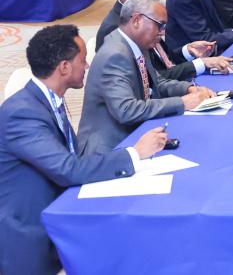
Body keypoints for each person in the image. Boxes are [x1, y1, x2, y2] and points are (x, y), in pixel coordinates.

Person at [0, 25, 167, 275]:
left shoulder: (46, 100)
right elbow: (67, 168)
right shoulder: (22, 113)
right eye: (83, 60)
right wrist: (135, 154)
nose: (87, 66)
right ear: (64, 67)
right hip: (28, 234)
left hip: (59, 209)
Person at [79, 0, 215, 155]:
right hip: (108, 149)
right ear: (137, 20)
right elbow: (126, 110)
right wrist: (182, 102)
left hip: (135, 133)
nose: (162, 33)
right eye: (160, 25)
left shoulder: (137, 44)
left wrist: (189, 89)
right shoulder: (114, 55)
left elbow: (157, 83)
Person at [96, 0, 233, 80]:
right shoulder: (116, 29)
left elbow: (165, 60)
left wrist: (189, 51)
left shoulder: (145, 16)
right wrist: (201, 63)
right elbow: (152, 79)